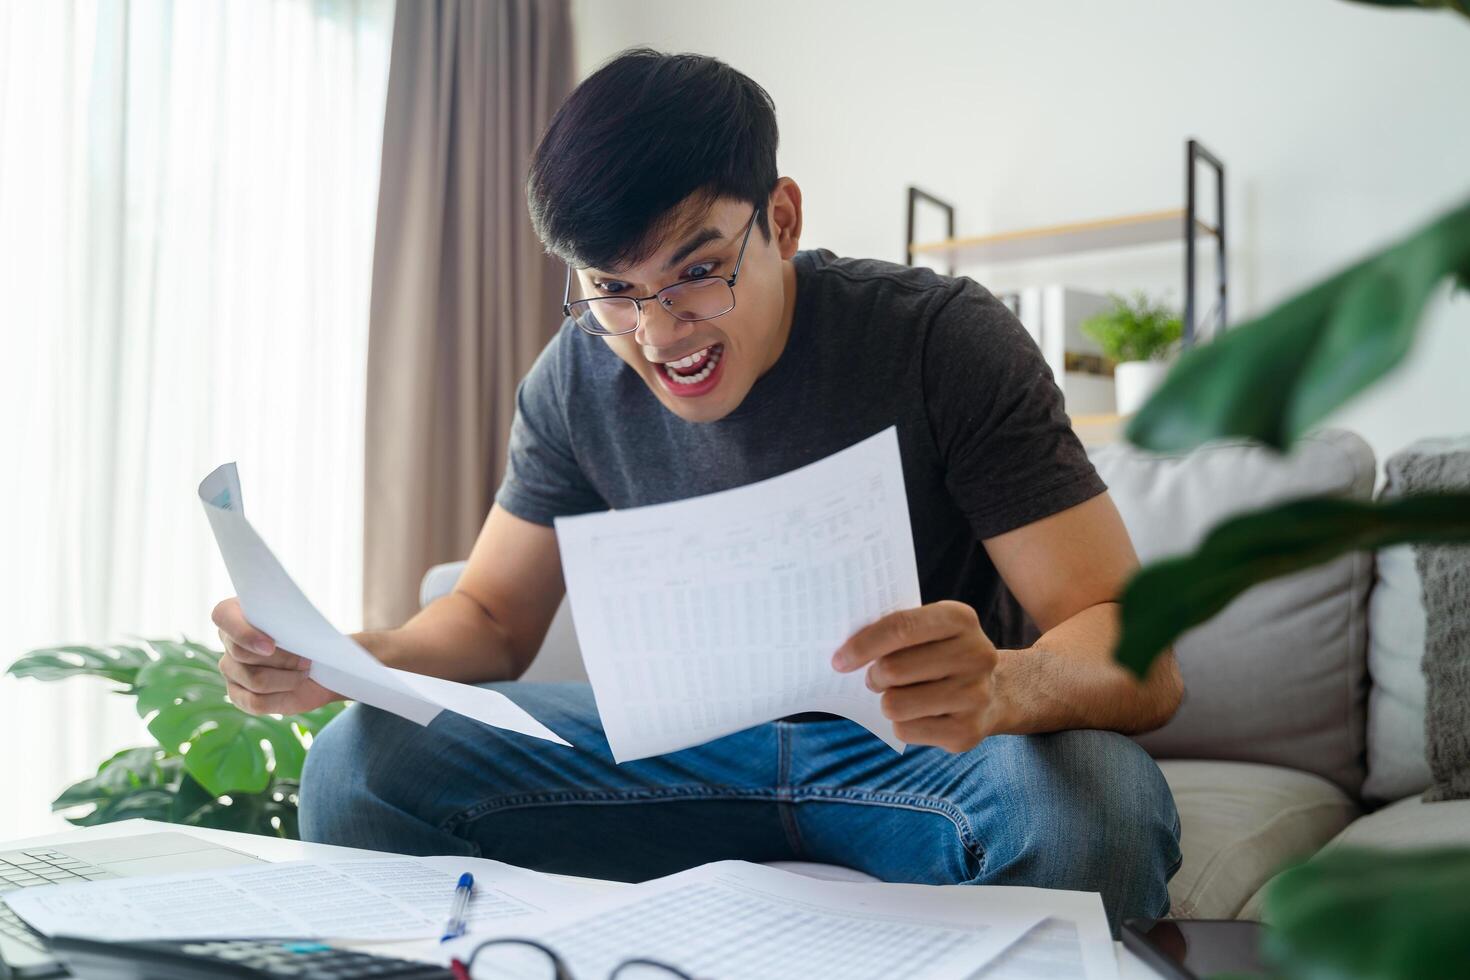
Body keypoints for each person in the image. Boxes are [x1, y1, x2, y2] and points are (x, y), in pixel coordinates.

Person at [211, 48, 1183, 930]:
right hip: (673, 762)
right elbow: (492, 618)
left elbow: (1142, 653)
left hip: (915, 757)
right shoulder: (574, 377)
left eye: (698, 272)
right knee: (358, 762)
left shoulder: (936, 340)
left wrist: (1006, 682)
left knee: (1100, 799)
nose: (661, 333)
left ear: (784, 220)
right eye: (613, 288)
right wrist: (351, 659)